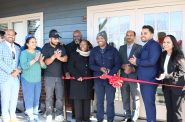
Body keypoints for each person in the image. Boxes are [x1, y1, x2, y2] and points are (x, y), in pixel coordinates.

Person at [129, 25, 162, 122]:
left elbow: (152, 61)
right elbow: (141, 60)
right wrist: (134, 62)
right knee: (148, 104)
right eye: (142, 33)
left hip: (149, 80)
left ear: (152, 34)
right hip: (144, 80)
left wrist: (137, 61)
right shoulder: (146, 45)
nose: (142, 35)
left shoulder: (154, 45)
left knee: (149, 104)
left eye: (145, 33)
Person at [89, 31, 121, 122]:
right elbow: (91, 65)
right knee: (99, 102)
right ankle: (100, 119)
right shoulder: (94, 50)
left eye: (101, 38)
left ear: (106, 39)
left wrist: (109, 74)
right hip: (98, 80)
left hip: (110, 80)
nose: (99, 40)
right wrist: (100, 69)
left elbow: (118, 64)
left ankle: (110, 119)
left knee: (110, 102)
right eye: (98, 38)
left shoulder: (113, 50)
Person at [156, 35, 185, 122]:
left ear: (173, 44)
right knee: (169, 110)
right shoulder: (163, 55)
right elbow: (161, 69)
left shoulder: (179, 55)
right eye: (164, 42)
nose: (165, 44)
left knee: (176, 112)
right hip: (166, 86)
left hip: (177, 87)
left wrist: (167, 75)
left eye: (168, 42)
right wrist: (160, 75)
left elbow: (182, 71)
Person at [42, 29, 68, 122]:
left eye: (58, 38)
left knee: (59, 97)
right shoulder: (45, 47)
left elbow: (65, 59)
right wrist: (54, 56)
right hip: (49, 76)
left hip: (59, 75)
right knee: (49, 96)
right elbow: (46, 62)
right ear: (50, 38)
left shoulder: (61, 47)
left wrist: (59, 57)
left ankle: (59, 114)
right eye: (55, 38)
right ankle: (49, 114)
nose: (57, 40)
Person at [20, 35, 47, 122]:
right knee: (29, 98)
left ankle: (35, 115)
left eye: (35, 42)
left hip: (37, 80)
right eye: (32, 42)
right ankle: (30, 116)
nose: (34, 43)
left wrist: (41, 61)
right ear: (27, 44)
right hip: (27, 79)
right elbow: (24, 66)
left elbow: (44, 67)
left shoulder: (38, 52)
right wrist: (35, 60)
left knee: (36, 98)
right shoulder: (24, 53)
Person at [68, 40, 93, 122]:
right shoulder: (74, 55)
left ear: (88, 46)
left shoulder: (91, 55)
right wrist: (77, 76)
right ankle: (78, 119)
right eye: (81, 44)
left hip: (87, 82)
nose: (82, 45)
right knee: (77, 101)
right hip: (77, 82)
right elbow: (71, 67)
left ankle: (86, 118)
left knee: (86, 100)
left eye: (84, 44)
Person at [119, 30, 142, 122]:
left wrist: (133, 68)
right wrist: (123, 66)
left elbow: (141, 62)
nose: (129, 37)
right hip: (123, 76)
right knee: (125, 97)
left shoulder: (139, 48)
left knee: (135, 97)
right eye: (127, 35)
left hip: (134, 76)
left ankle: (134, 117)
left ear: (134, 37)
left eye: (131, 35)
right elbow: (118, 62)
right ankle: (127, 116)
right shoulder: (121, 48)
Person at [0, 29, 21, 122]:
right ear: (5, 35)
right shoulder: (1, 46)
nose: (11, 36)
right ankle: (5, 116)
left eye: (12, 35)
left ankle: (13, 115)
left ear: (15, 36)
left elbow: (20, 61)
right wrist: (11, 71)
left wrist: (18, 70)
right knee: (5, 98)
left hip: (16, 77)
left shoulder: (17, 48)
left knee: (14, 97)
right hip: (5, 77)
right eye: (8, 34)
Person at [64, 30, 83, 118]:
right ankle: (74, 114)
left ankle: (84, 113)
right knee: (73, 94)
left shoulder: (86, 45)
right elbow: (65, 61)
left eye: (78, 36)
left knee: (83, 94)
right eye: (74, 36)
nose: (76, 38)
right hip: (71, 74)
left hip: (83, 75)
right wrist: (66, 72)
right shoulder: (68, 47)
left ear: (81, 36)